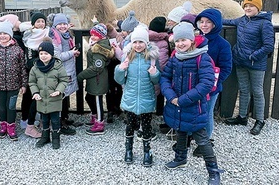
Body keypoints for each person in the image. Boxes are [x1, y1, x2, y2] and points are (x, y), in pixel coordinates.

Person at [160, 22, 223, 184]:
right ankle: (180, 158)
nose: (181, 44)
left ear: (192, 40)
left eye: (184, 40)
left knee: (201, 138)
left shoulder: (202, 58)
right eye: (178, 40)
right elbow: (165, 78)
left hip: (194, 106)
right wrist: (171, 96)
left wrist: (183, 100)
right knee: (180, 130)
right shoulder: (175, 58)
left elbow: (206, 83)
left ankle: (213, 170)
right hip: (176, 104)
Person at [223, 0, 274, 135]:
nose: (248, 8)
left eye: (251, 6)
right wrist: (209, 19)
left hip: (256, 64)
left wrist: (253, 56)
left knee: (257, 92)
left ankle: (260, 120)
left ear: (258, 7)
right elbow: (227, 20)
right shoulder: (242, 20)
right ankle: (242, 117)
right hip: (241, 61)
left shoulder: (265, 23)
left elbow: (269, 45)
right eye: (246, 6)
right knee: (244, 90)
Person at [114, 27, 161, 167]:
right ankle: (128, 150)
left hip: (146, 98)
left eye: (141, 42)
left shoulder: (152, 58)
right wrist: (120, 69)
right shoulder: (127, 56)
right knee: (130, 126)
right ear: (131, 43)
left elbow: (156, 80)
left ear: (146, 42)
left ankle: (147, 151)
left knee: (146, 127)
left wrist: (154, 73)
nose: (138, 45)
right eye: (135, 42)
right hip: (130, 98)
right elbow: (119, 80)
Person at [192, 8, 232, 156]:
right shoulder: (194, 39)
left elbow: (226, 68)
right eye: (201, 22)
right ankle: (191, 136)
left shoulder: (223, 44)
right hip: (193, 84)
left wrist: (213, 83)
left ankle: (205, 142)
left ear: (215, 24)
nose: (204, 25)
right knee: (193, 111)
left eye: (208, 22)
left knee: (206, 113)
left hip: (210, 87)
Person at [0, 21, 28, 141]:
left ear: (10, 35)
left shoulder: (17, 50)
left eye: (5, 33)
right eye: (0, 33)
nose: (3, 36)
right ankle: (3, 126)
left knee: (11, 107)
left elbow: (22, 69)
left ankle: (11, 127)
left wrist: (23, 84)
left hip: (13, 86)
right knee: (2, 108)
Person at [28, 39, 69, 149]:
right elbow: (32, 82)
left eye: (46, 53)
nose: (43, 56)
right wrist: (35, 92)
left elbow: (64, 80)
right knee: (44, 119)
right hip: (41, 99)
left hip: (54, 98)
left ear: (51, 54)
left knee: (55, 120)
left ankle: (56, 138)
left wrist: (59, 90)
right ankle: (45, 137)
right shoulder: (35, 68)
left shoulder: (57, 66)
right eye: (41, 54)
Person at [77, 23, 114, 135]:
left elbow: (97, 67)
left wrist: (81, 75)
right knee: (89, 97)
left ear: (102, 36)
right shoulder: (97, 45)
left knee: (98, 101)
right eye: (92, 34)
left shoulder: (99, 49)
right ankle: (95, 116)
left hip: (98, 80)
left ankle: (99, 123)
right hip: (95, 79)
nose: (92, 37)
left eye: (95, 35)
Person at [19, 12, 50, 138]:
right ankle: (27, 121)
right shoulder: (30, 37)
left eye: (43, 21)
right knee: (31, 97)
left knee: (40, 97)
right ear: (33, 24)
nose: (41, 24)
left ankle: (39, 121)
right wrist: (44, 63)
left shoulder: (47, 33)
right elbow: (30, 58)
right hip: (33, 71)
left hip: (45, 72)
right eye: (38, 21)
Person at [48, 13, 80, 135]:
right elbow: (57, 56)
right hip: (61, 71)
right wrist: (72, 53)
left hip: (67, 69)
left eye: (64, 24)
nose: (62, 26)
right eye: (59, 24)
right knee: (60, 97)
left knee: (65, 96)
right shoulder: (55, 38)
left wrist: (72, 53)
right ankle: (60, 124)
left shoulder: (65, 35)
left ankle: (64, 118)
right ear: (55, 25)